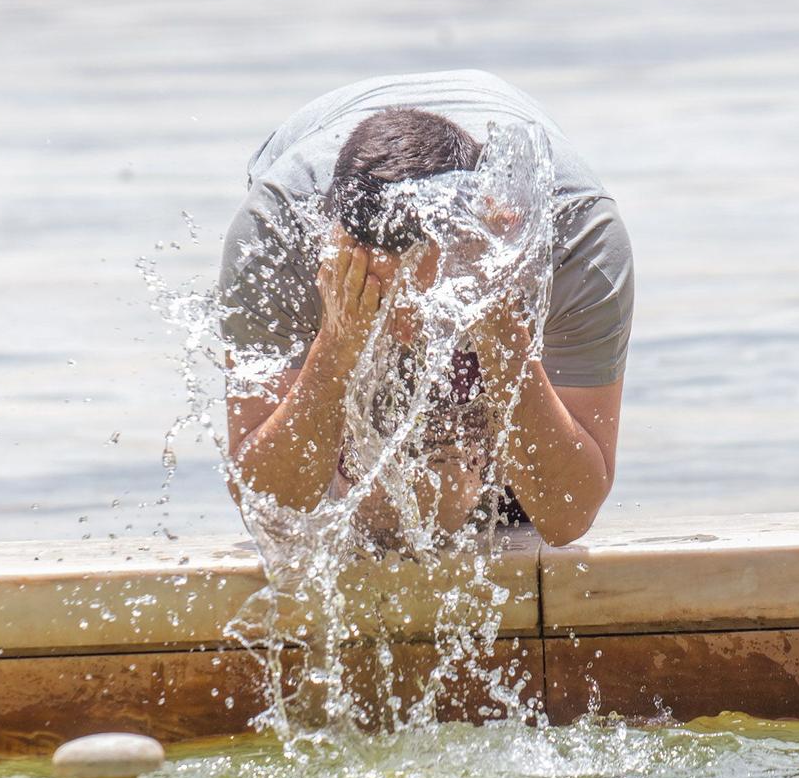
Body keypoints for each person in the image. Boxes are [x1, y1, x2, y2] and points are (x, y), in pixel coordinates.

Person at [218, 71, 634, 548]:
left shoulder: (576, 244)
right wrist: (336, 346)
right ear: (333, 247)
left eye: (419, 299)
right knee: (363, 505)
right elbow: (270, 506)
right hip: (314, 161)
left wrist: (497, 324)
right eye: (376, 297)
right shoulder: (274, 241)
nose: (401, 326)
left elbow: (567, 514)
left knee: (499, 497)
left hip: (507, 228)